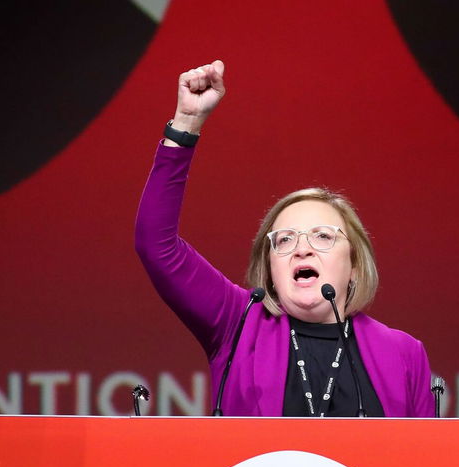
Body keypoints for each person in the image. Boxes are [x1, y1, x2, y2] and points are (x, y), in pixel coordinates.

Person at [134, 59, 433, 417]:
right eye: (286, 240)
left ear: (354, 266)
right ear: (270, 268)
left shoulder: (403, 353)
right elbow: (156, 243)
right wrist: (185, 125)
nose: (302, 248)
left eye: (322, 236)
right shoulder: (238, 324)